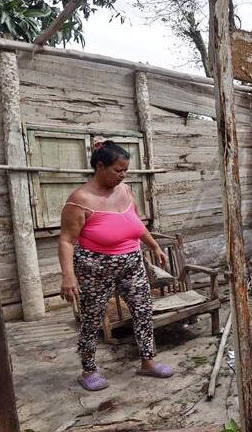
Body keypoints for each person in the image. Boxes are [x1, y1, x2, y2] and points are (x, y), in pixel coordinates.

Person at [58, 140, 173, 391]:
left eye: (125, 170)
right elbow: (66, 240)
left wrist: (153, 245)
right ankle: (88, 370)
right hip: (94, 267)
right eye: (118, 170)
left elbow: (136, 222)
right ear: (100, 166)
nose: (123, 175)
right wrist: (68, 276)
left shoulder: (126, 190)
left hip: (131, 261)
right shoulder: (80, 199)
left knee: (142, 311)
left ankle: (148, 362)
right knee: (92, 317)